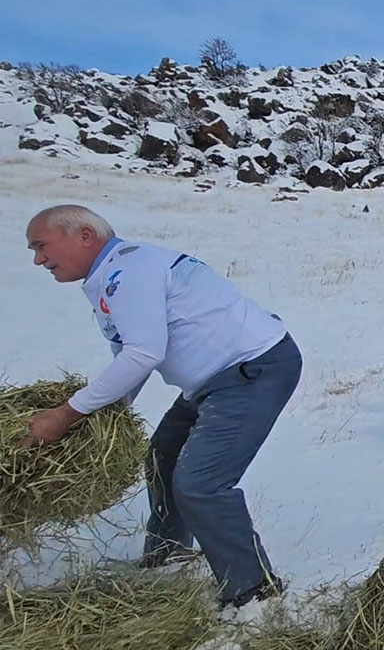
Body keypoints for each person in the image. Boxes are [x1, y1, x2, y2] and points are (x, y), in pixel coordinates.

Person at [23, 205, 302, 608]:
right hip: (213, 380)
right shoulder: (112, 274)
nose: (38, 260)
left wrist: (68, 414)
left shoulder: (129, 272)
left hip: (252, 370)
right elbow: (129, 354)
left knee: (201, 483)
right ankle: (168, 555)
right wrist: (105, 414)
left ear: (84, 235)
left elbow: (142, 353)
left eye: (41, 246)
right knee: (164, 457)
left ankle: (254, 591)